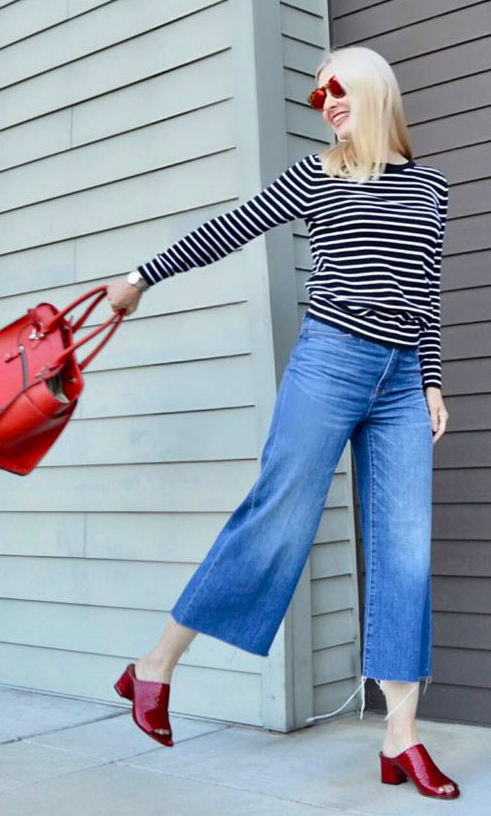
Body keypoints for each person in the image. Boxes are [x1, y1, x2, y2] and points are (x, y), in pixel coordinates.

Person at [106, 45, 459, 800]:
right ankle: (155, 666)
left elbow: (425, 293)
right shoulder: (317, 174)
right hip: (331, 362)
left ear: (375, 90)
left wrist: (431, 381)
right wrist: (141, 277)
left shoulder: (430, 186)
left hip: (401, 381)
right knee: (280, 517)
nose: (328, 102)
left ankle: (401, 736)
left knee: (406, 549)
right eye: (318, 95)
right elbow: (228, 230)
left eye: (339, 88)